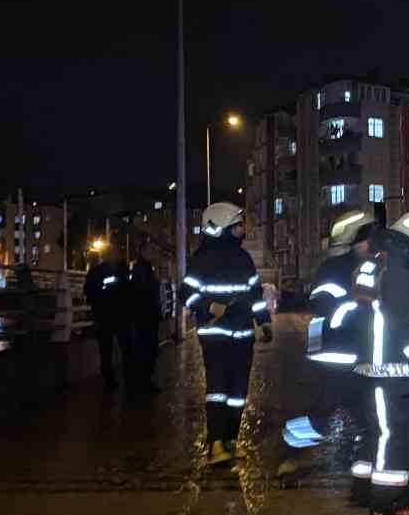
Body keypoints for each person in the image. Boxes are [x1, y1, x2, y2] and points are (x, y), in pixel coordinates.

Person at [349, 210, 409, 515]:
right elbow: (407, 326)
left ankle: (364, 490)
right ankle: (389, 500)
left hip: (370, 365)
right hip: (393, 368)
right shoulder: (400, 271)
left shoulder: (376, 260)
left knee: (375, 431)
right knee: (396, 434)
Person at [282, 210, 378, 481]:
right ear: (353, 241)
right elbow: (339, 311)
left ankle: (363, 466)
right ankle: (288, 449)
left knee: (358, 414)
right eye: (367, 238)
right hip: (343, 357)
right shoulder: (344, 269)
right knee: (332, 415)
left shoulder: (335, 267)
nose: (371, 245)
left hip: (340, 355)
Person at [182, 203, 273, 466]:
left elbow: (255, 295)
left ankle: (231, 440)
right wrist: (210, 306)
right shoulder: (202, 259)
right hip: (216, 335)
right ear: (222, 228)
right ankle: (215, 443)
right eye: (238, 225)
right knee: (218, 389)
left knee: (237, 392)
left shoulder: (243, 258)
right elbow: (185, 293)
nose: (243, 230)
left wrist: (264, 322)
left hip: (243, 334)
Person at [84, 243, 132, 390]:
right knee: (120, 349)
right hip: (112, 316)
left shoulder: (100, 271)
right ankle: (121, 380)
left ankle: (113, 381)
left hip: (109, 316)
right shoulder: (116, 271)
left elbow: (89, 292)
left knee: (110, 350)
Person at [127, 245, 163, 392]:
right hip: (146, 316)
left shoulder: (144, 269)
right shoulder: (142, 270)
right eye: (150, 252)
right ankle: (143, 382)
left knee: (147, 349)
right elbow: (143, 293)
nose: (152, 254)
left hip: (146, 316)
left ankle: (143, 381)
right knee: (147, 349)